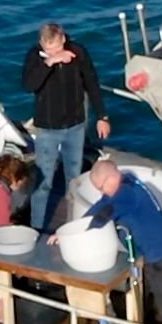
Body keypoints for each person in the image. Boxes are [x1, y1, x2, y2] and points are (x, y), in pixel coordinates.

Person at [76, 160, 162, 324]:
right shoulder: (126, 182)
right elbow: (101, 205)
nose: (101, 192)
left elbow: (103, 216)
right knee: (137, 300)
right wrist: (77, 226)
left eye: (101, 187)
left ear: (111, 178)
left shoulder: (126, 195)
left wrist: (77, 234)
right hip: (145, 257)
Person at [20, 21, 106, 226]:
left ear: (64, 39)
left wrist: (102, 116)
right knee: (44, 182)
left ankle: (72, 222)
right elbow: (29, 85)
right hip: (48, 129)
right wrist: (49, 62)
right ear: (42, 44)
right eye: (49, 49)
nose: (55, 52)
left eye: (58, 47)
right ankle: (36, 226)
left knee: (74, 180)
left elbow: (91, 83)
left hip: (75, 126)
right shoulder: (35, 57)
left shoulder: (78, 53)